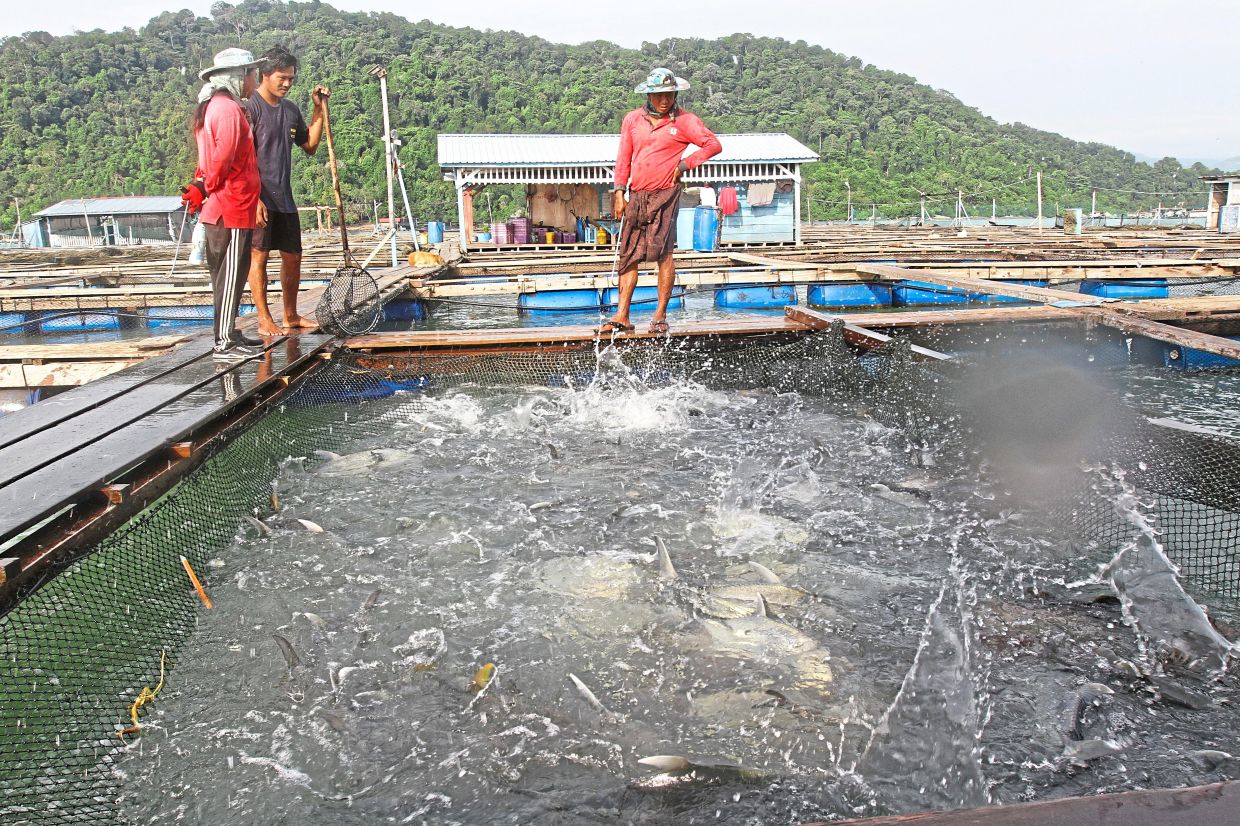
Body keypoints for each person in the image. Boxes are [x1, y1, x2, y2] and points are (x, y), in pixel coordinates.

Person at [602, 67, 721, 335]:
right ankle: (622, 315)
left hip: (666, 194)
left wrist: (685, 164)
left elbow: (712, 144)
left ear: (675, 93)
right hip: (637, 194)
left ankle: (659, 316)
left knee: (664, 254)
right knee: (628, 256)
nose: (664, 100)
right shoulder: (633, 120)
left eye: (669, 94)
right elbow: (623, 157)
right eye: (658, 95)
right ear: (649, 95)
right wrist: (620, 192)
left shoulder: (685, 121)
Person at [183, 47, 264, 361]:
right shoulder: (227, 110)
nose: (254, 80)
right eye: (251, 74)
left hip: (228, 206)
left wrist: (202, 186)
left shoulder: (213, 107)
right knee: (230, 275)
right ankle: (225, 342)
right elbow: (222, 159)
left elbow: (209, 162)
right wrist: (207, 186)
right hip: (231, 207)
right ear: (238, 76)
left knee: (226, 275)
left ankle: (228, 331)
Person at [245, 46, 330, 335]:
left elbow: (310, 146)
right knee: (259, 256)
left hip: (284, 196)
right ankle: (264, 318)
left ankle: (291, 314)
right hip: (258, 196)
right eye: (282, 77)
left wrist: (319, 109)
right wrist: (253, 197)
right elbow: (241, 157)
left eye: (291, 79)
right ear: (265, 74)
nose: (287, 83)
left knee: (293, 255)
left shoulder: (291, 110)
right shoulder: (250, 108)